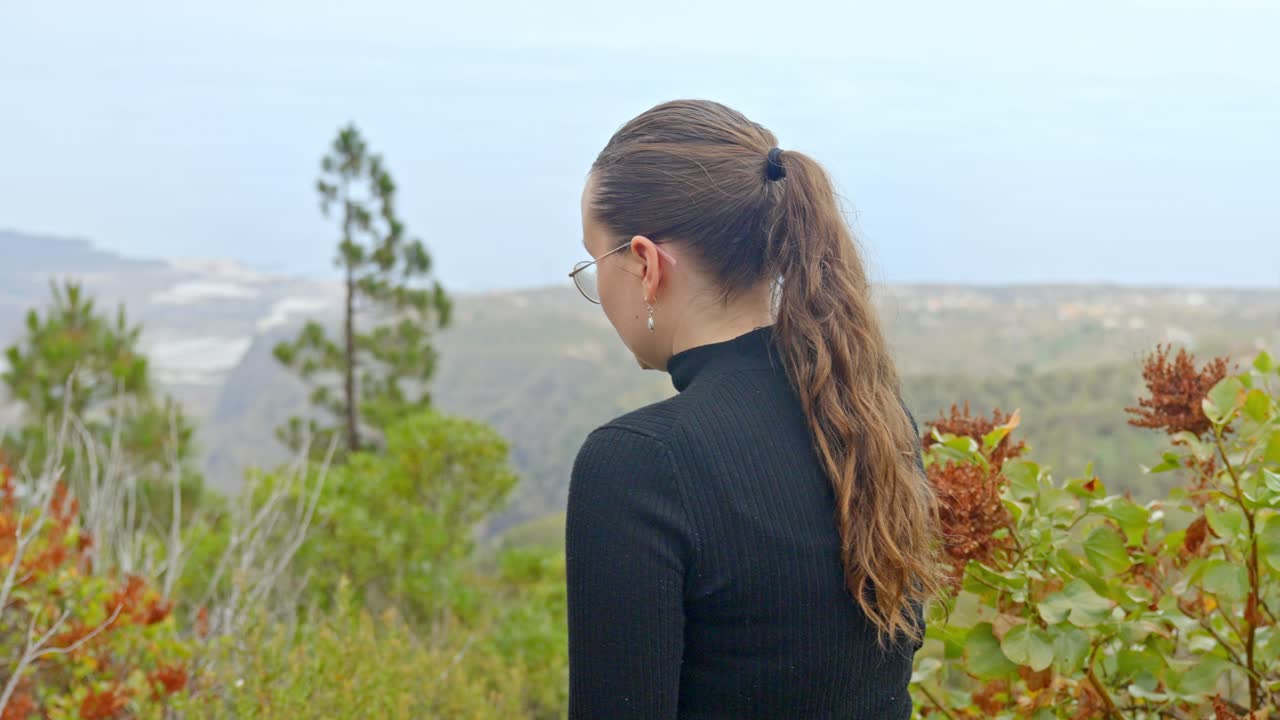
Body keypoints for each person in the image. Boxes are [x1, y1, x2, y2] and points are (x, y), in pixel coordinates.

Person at [565, 99, 945, 719]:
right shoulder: (870, 421)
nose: (596, 289)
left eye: (593, 261)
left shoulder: (639, 465)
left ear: (645, 264)